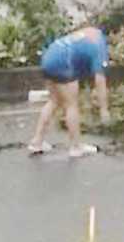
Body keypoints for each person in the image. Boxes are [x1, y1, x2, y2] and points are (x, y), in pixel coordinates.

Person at [28, 26, 110, 158]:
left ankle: (37, 142)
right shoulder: (100, 45)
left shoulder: (88, 31)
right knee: (71, 104)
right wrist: (104, 109)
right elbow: (100, 80)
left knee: (54, 101)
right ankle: (76, 147)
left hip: (49, 56)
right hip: (63, 62)